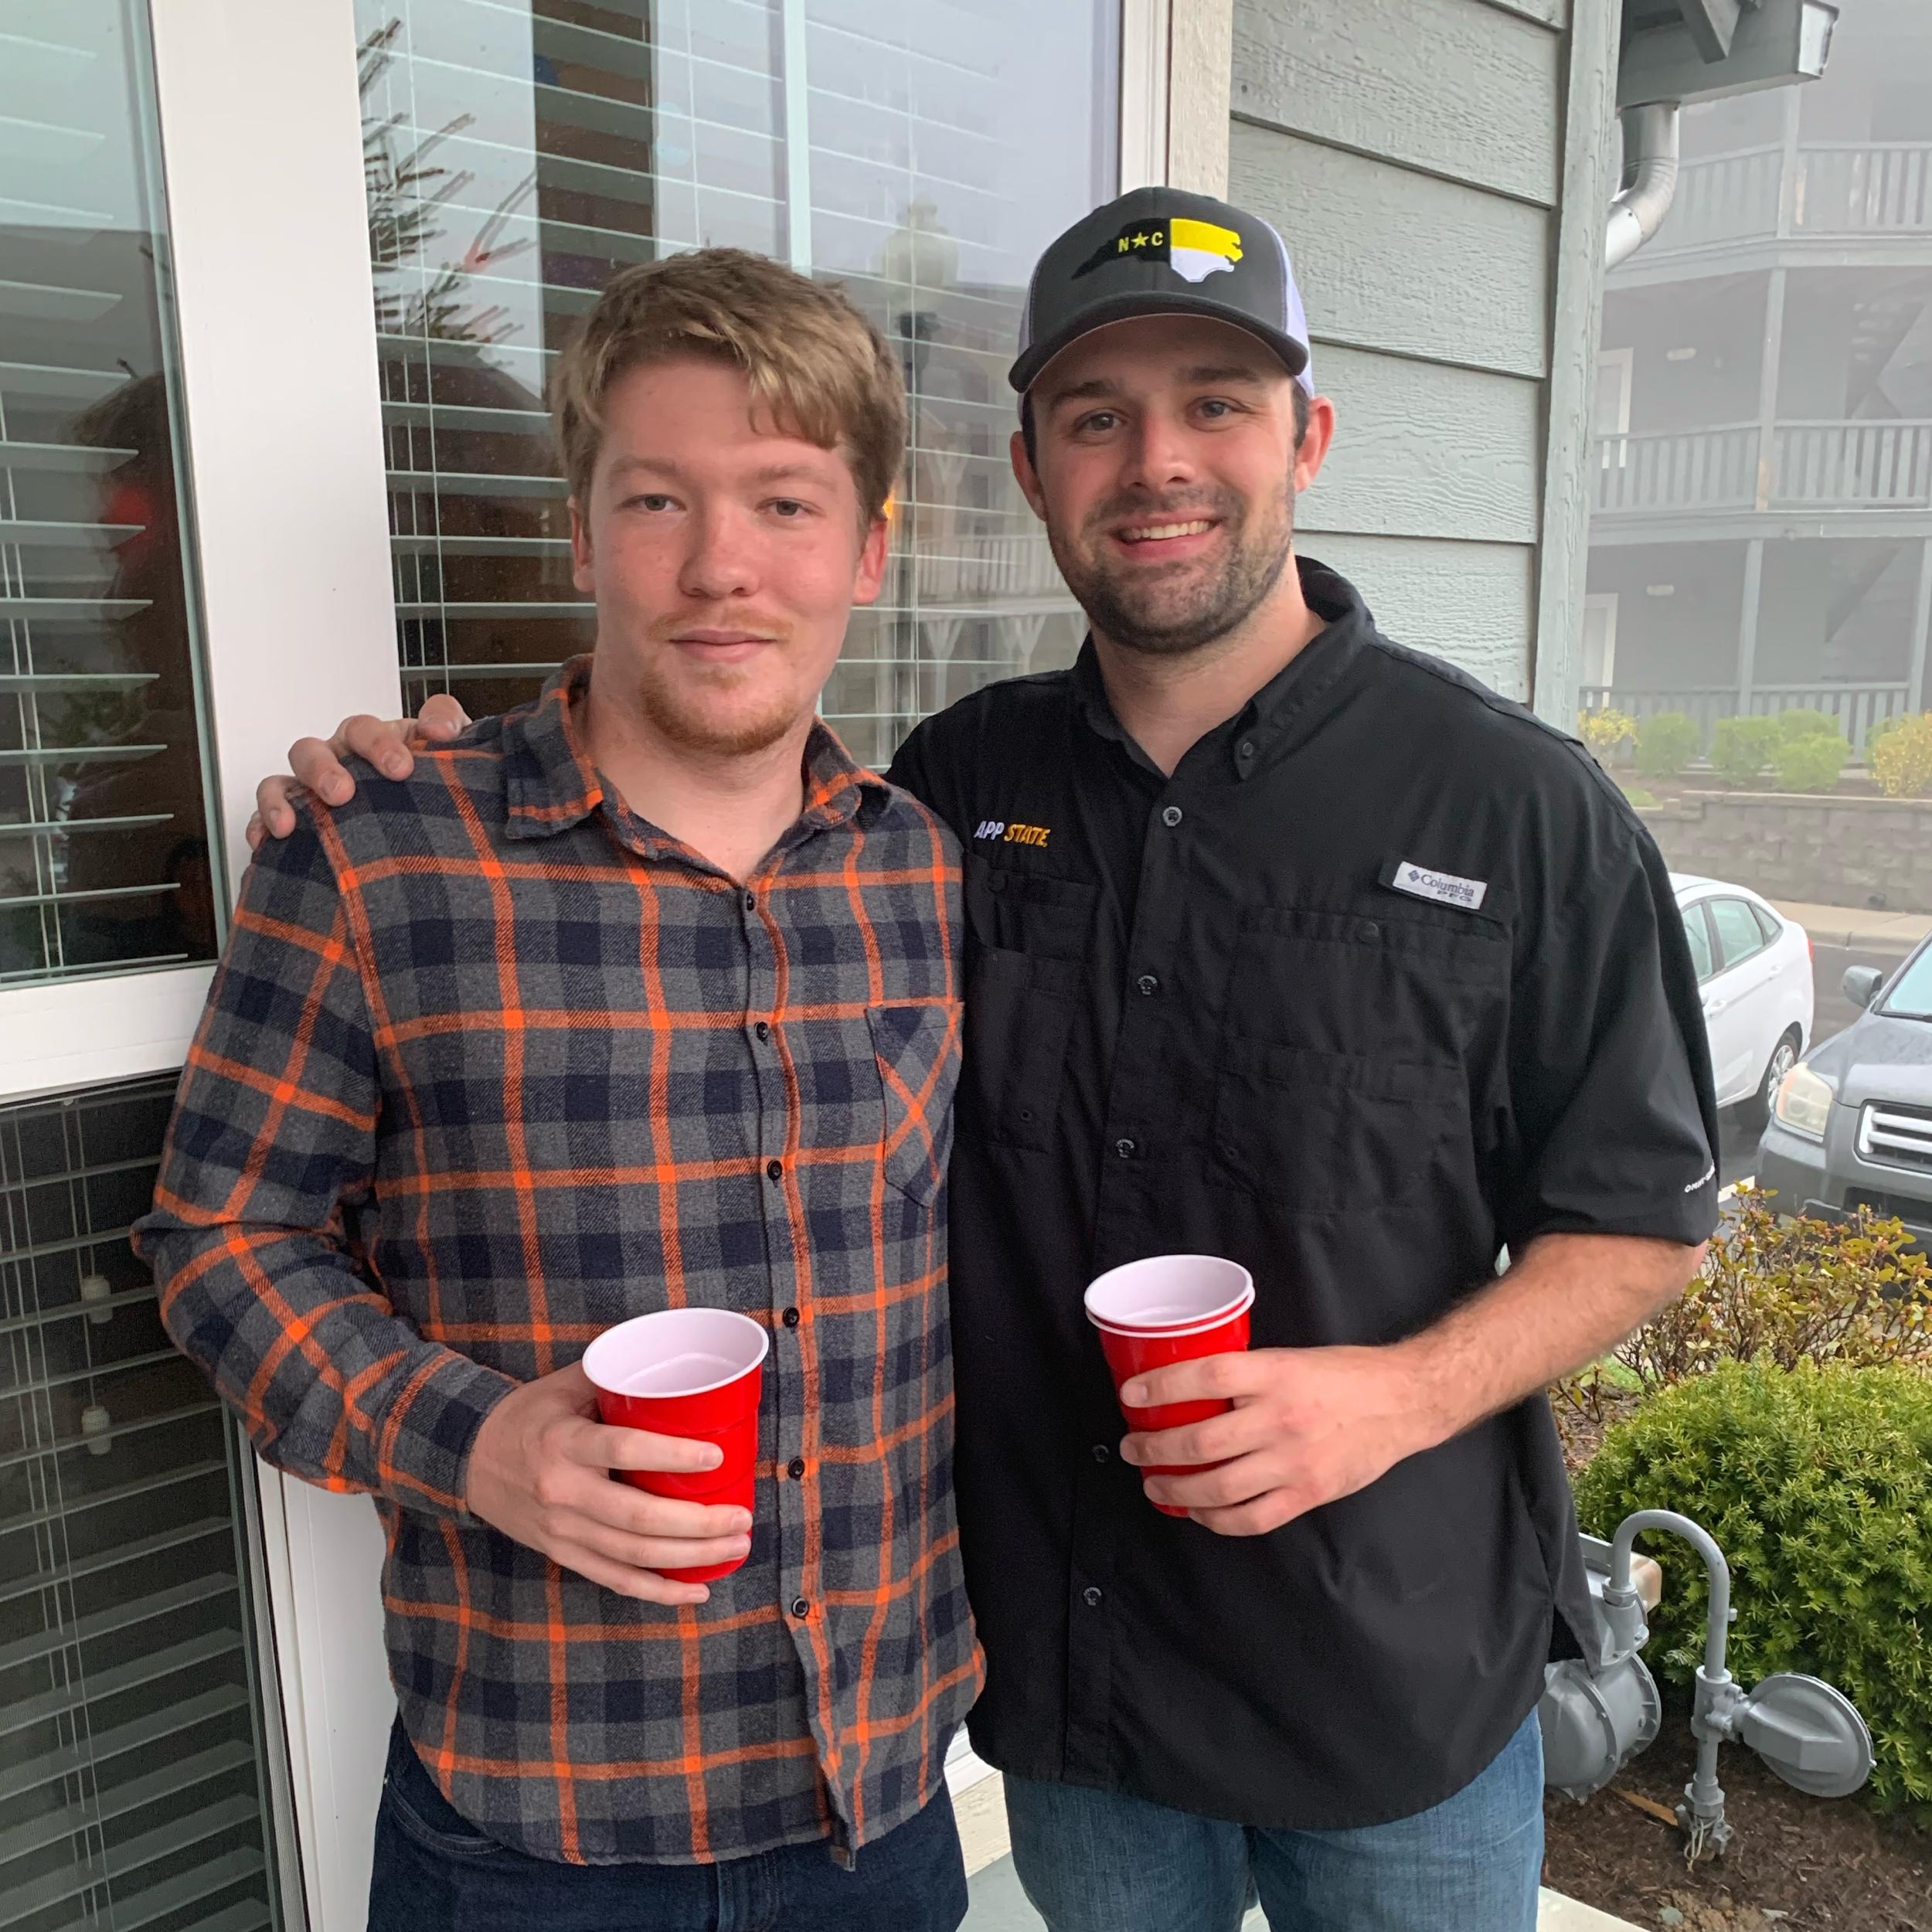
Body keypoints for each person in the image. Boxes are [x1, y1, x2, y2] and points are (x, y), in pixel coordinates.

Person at [250, 189, 1720, 1932]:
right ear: (1030, 470)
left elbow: (1641, 1217)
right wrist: (418, 780)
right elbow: (678, 799)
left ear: (1306, 438)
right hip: (1073, 1695)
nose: (1155, 461)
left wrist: (1393, 1397)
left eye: (1215, 403)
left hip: (1392, 1687)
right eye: (1096, 416)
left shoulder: (1518, 809)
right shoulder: (944, 799)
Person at [134, 250, 980, 1931]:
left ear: (868, 551)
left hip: (879, 1805)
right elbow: (220, 1238)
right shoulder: (378, 855)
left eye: (786, 503)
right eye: (658, 499)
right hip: (535, 1831)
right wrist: (470, 1441)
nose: (720, 564)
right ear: (582, 536)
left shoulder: (923, 872)